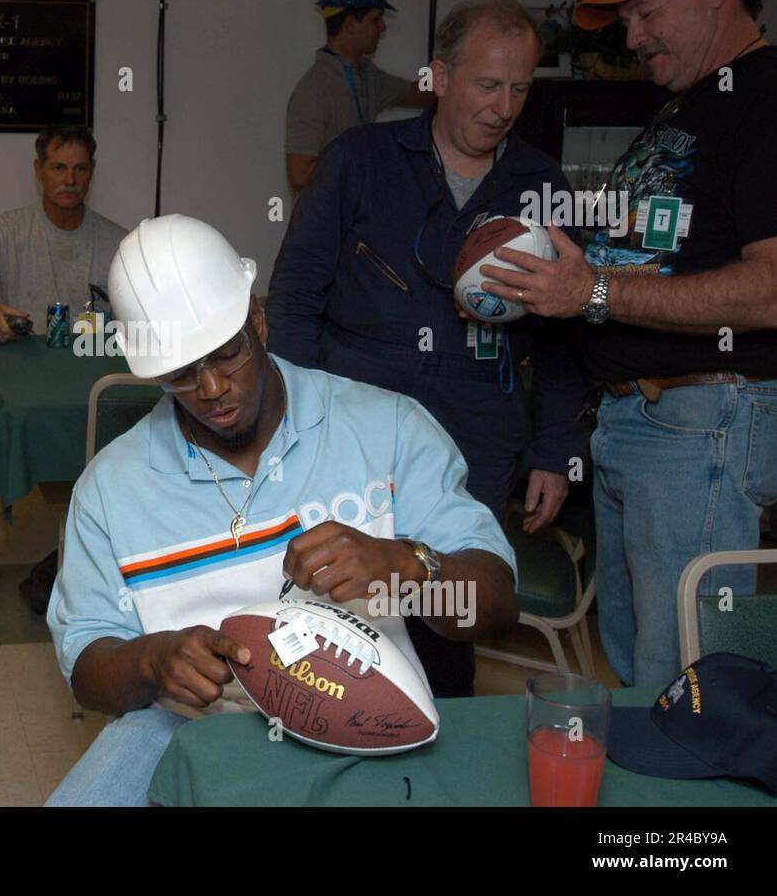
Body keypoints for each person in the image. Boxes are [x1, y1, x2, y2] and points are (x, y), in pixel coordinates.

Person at [45, 214, 519, 806]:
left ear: (259, 320)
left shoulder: (386, 430)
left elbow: (496, 603)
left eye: (225, 354)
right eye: (180, 375)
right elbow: (88, 669)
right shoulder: (110, 488)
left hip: (361, 725)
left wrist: (408, 568)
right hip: (188, 731)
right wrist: (151, 660)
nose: (212, 388)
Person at [479, 0, 777, 687]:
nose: (634, 37)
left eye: (646, 14)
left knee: (690, 684)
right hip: (635, 424)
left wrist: (593, 291)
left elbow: (771, 286)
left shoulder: (764, 96)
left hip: (699, 421)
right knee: (640, 667)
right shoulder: (688, 101)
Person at [266, 0, 589, 698]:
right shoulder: (359, 160)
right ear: (439, 76)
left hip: (478, 432)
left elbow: (563, 338)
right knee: (332, 602)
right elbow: (293, 298)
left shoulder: (541, 185)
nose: (505, 106)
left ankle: (433, 746)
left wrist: (555, 452)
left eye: (521, 87)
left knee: (449, 609)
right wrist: (294, 425)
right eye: (487, 84)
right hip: (353, 426)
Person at [0, 126, 126, 613]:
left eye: (81, 168)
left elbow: (149, 322)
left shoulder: (120, 243)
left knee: (148, 416)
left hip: (91, 380)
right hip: (16, 379)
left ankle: (78, 552)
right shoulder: (2, 231)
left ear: (93, 174)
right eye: (58, 167)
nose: (70, 179)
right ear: (39, 171)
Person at [284, 0, 432, 194]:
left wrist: (460, 78)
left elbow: (420, 94)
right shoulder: (315, 89)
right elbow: (299, 174)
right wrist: (366, 160)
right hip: (327, 228)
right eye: (376, 19)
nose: (382, 28)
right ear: (352, 24)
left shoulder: (367, 76)